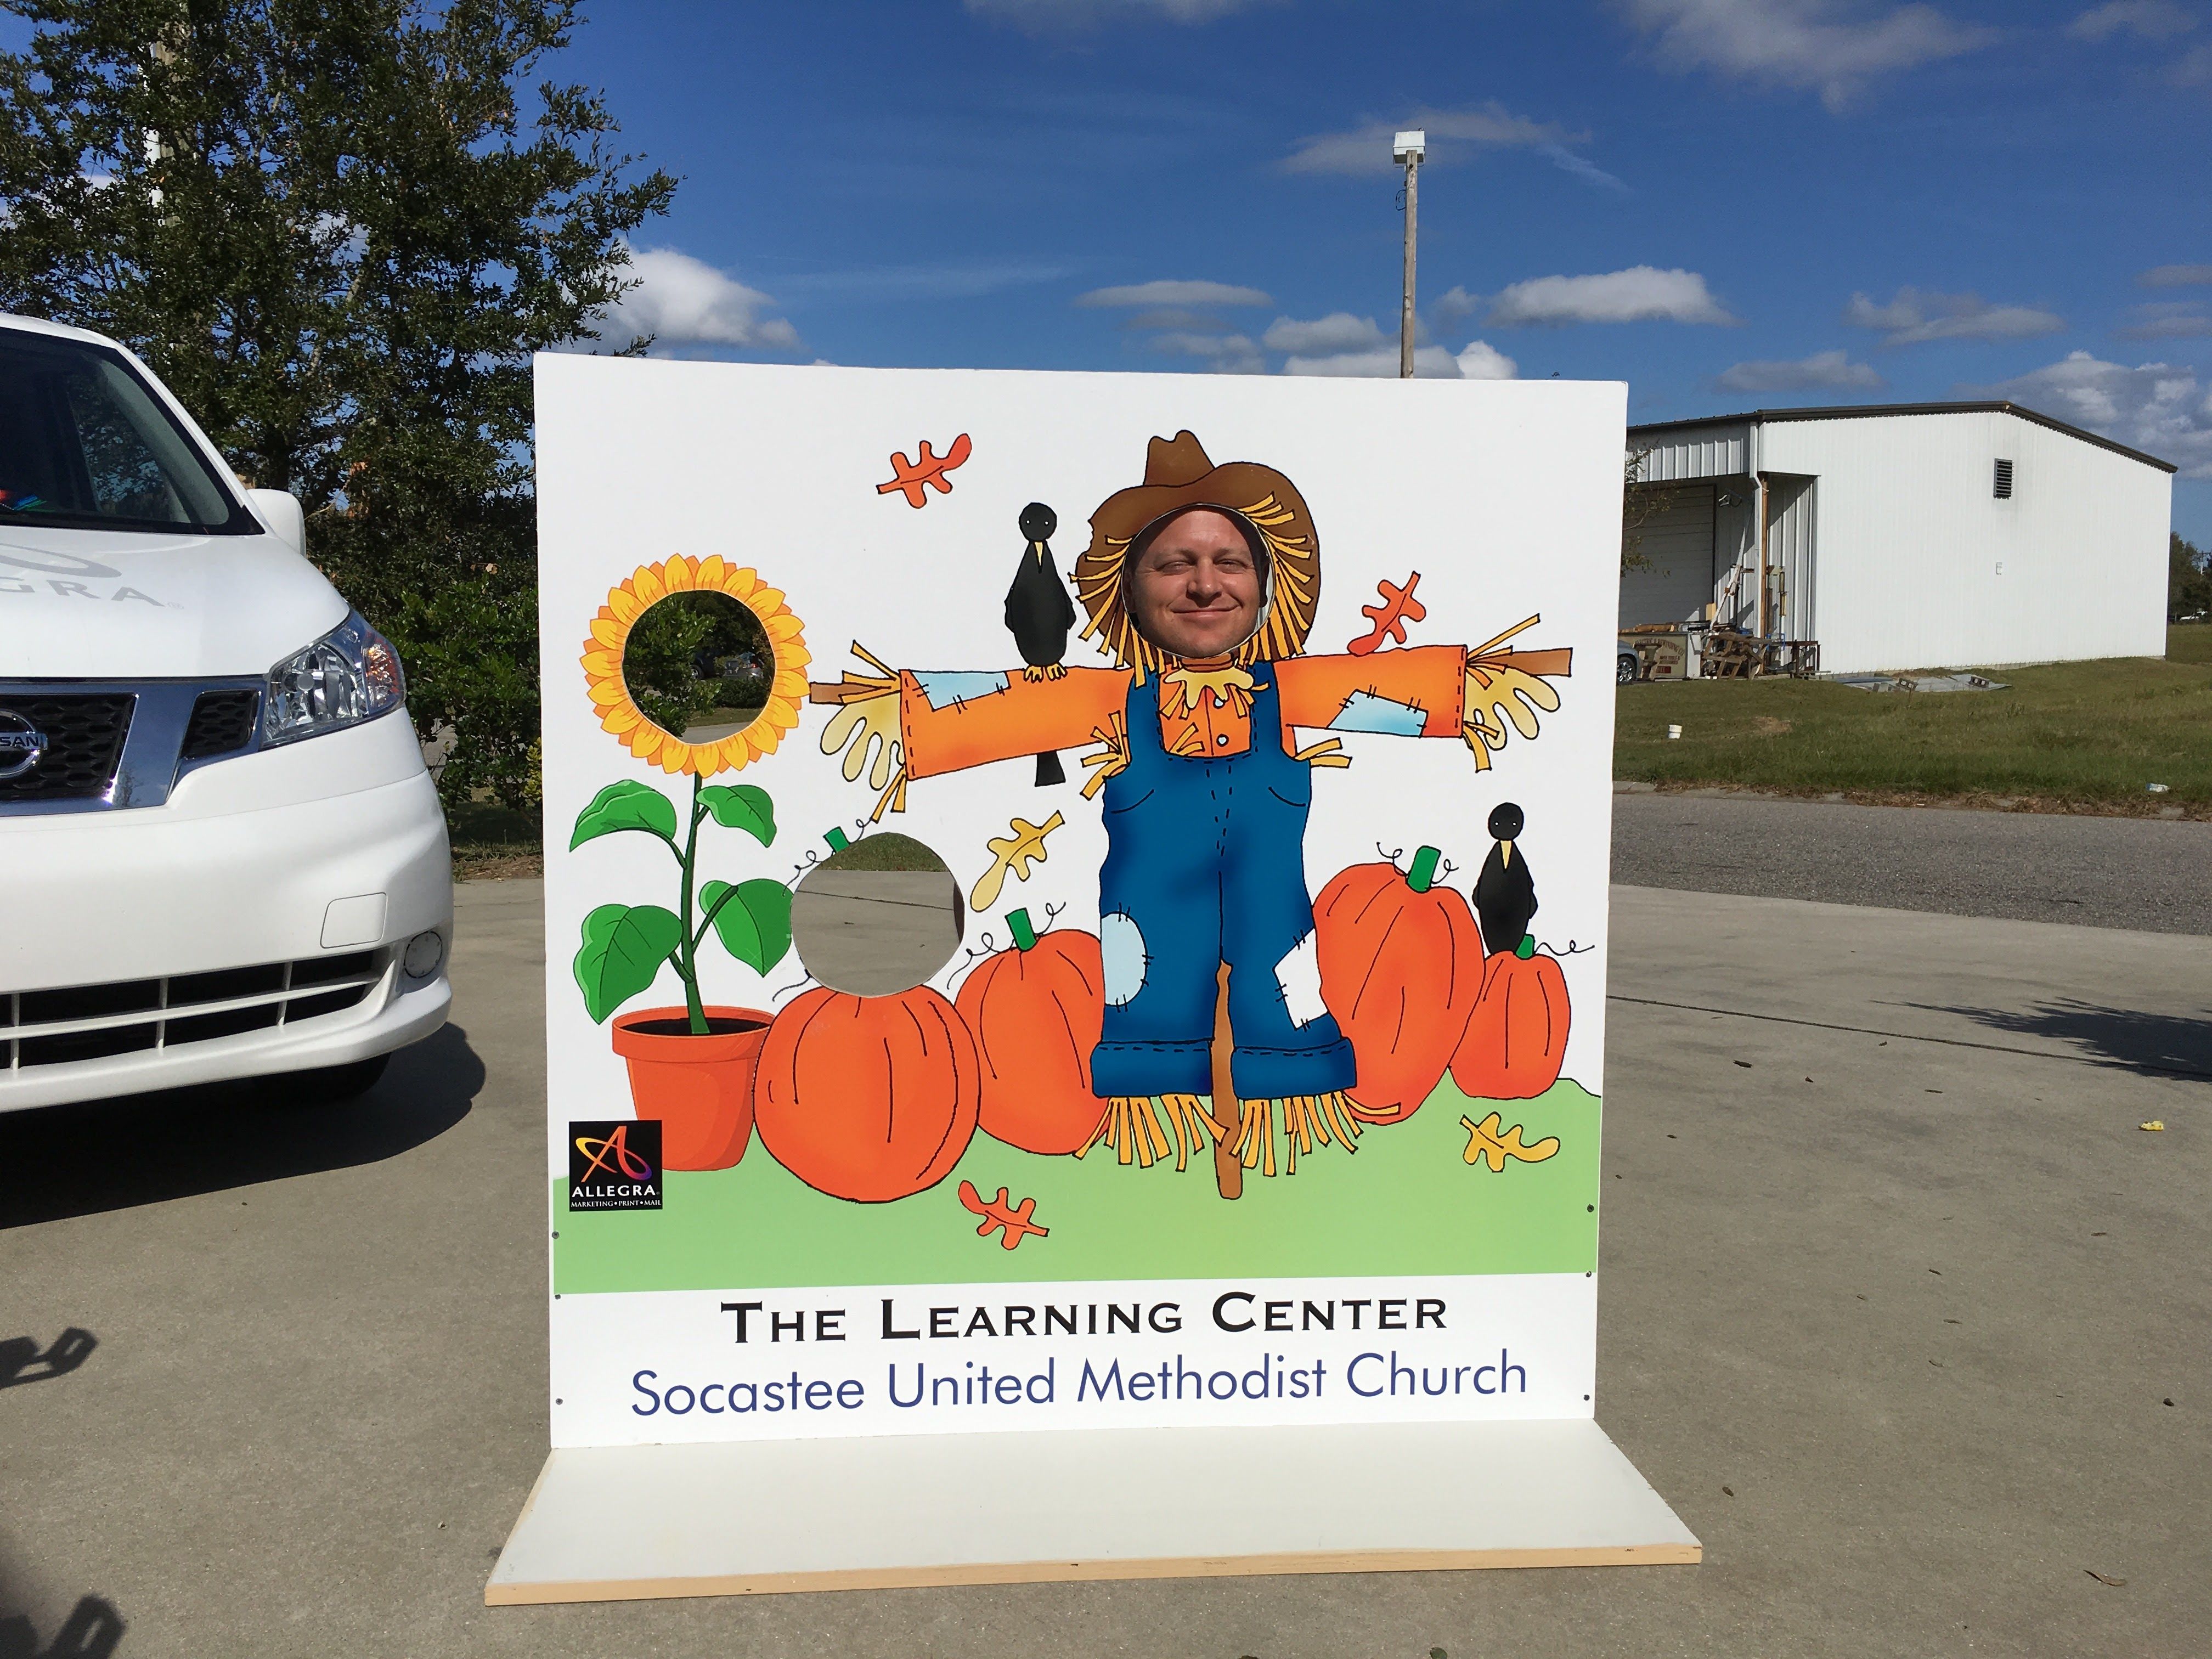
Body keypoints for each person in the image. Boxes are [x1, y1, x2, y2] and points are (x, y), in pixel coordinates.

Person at [814, 431, 1571, 1110]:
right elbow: (1007, 711)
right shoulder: (1109, 700)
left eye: (1229, 562)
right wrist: (903, 712)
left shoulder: (1294, 692)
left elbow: (1401, 690)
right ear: (1129, 591)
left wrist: (1475, 684)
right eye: (1176, 564)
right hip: (1144, 997)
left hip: (1283, 989)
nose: (1206, 585)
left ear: (1265, 583)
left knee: (1290, 1056)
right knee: (1150, 1071)